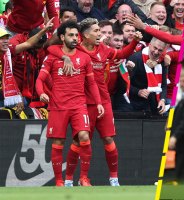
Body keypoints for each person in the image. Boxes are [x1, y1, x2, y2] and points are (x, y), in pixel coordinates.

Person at [47, 17, 143, 186]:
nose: (101, 34)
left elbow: (121, 54)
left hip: (103, 101)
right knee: (80, 141)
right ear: (85, 35)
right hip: (82, 102)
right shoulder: (75, 49)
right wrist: (64, 57)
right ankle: (72, 178)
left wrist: (134, 41)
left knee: (108, 139)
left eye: (100, 30)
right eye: (97, 31)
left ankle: (113, 178)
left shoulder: (103, 49)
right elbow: (51, 48)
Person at [35, 21, 104, 186]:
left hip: (79, 105)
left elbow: (92, 84)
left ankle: (84, 178)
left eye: (76, 35)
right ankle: (59, 181)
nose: (74, 38)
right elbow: (39, 80)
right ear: (62, 37)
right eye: (70, 35)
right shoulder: (52, 57)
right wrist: (42, 93)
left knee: (84, 137)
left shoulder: (84, 57)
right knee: (58, 143)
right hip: (58, 107)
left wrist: (98, 102)